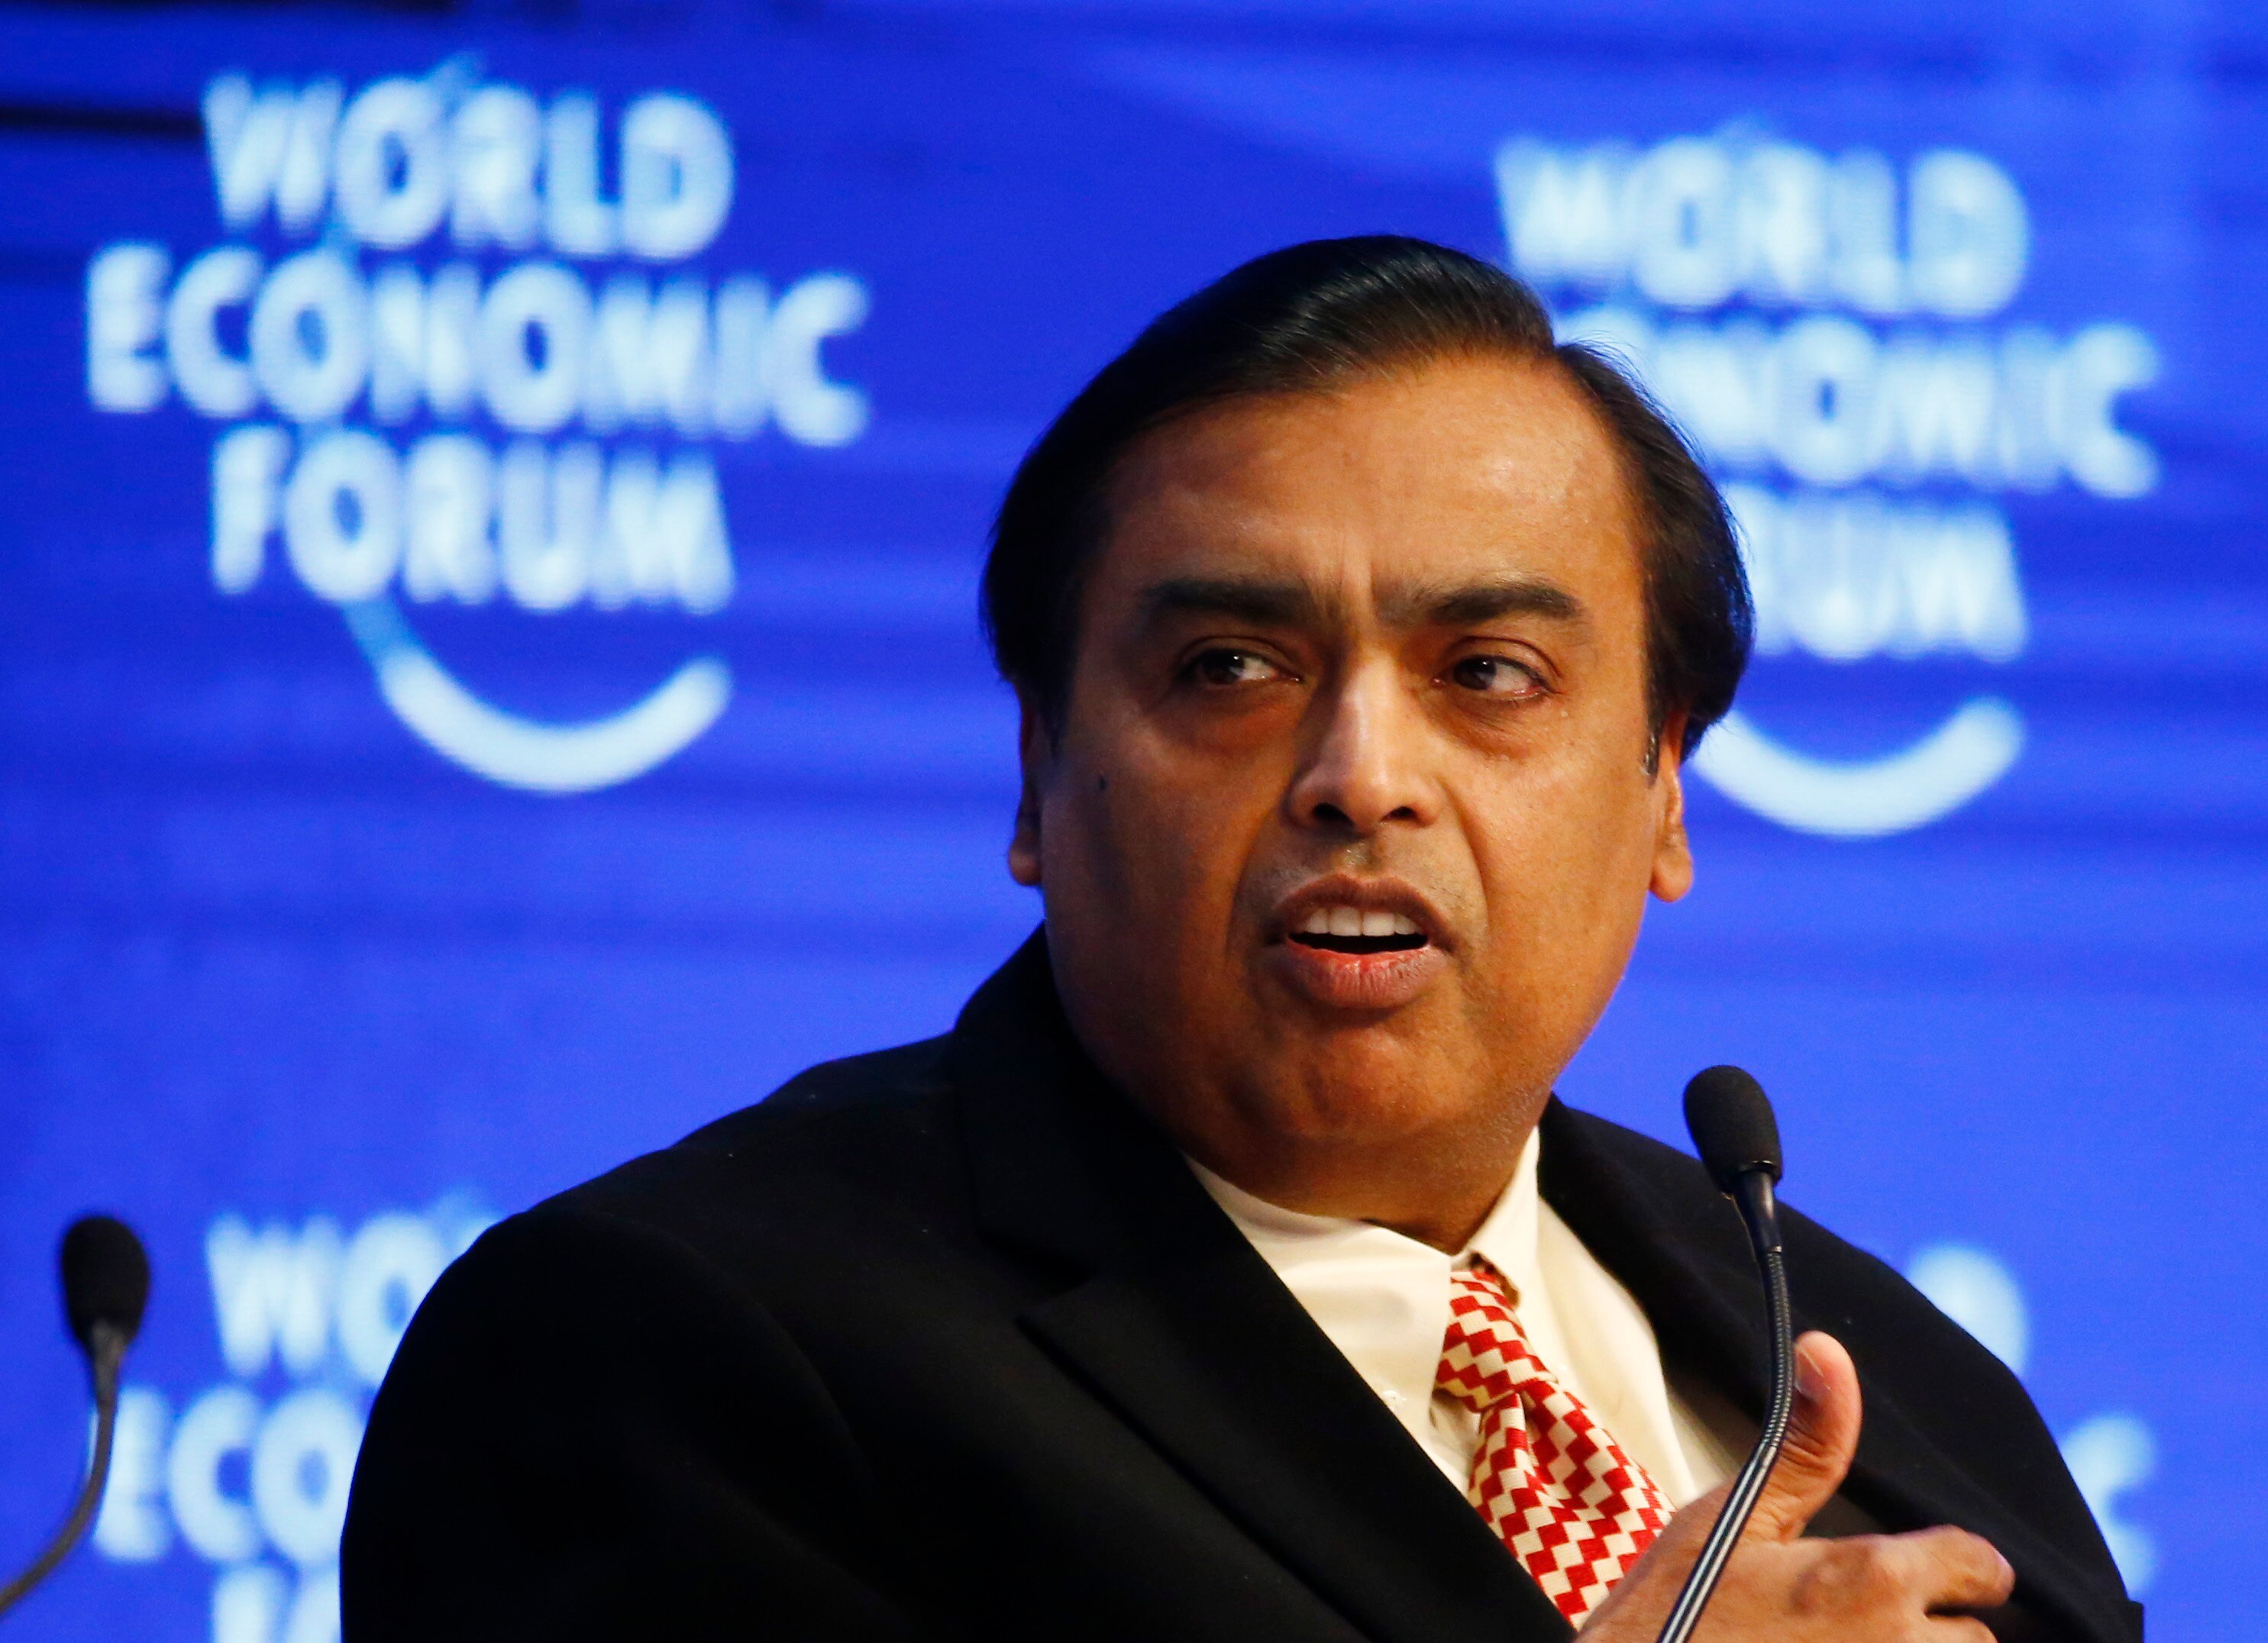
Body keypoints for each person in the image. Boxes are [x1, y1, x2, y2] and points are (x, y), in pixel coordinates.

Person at [341, 238, 2138, 1642]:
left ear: (1664, 789)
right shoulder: (674, 1350)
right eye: (1229, 667)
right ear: (1039, 770)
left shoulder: (1892, 1375)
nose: (1364, 774)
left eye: (1488, 673)